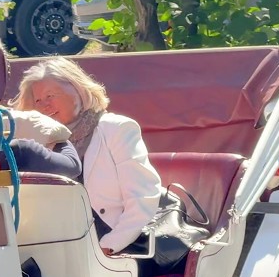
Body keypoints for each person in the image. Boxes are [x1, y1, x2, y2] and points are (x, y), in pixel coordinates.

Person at [13, 57, 165, 254]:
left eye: (51, 95)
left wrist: (111, 245)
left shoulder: (116, 129)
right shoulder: (39, 141)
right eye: (38, 101)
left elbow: (144, 196)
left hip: (111, 242)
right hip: (58, 245)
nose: (44, 106)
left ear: (78, 90)